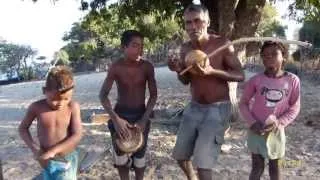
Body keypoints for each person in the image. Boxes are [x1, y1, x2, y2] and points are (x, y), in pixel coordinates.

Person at [168, 4, 245, 180]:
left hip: (217, 110)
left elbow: (240, 75)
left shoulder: (222, 44)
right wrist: (178, 70)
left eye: (198, 21)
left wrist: (213, 71)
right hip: (194, 107)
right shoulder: (185, 48)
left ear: (207, 21)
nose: (193, 27)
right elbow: (186, 80)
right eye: (188, 23)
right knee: (180, 157)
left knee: (203, 165)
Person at [99, 30, 157, 180]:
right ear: (123, 47)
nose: (140, 49)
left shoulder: (147, 67)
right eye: (135, 45)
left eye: (141, 46)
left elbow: (154, 95)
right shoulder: (116, 67)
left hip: (140, 115)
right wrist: (116, 120)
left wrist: (144, 120)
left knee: (140, 157)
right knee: (120, 157)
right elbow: (102, 95)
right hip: (120, 116)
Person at [239, 41, 300, 180]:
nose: (269, 58)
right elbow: (243, 103)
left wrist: (279, 123)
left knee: (275, 167)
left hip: (277, 131)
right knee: (257, 167)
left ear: (283, 56)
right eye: (265, 56)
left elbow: (295, 107)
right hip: (256, 130)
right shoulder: (255, 80)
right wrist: (252, 122)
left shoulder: (292, 80)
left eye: (274, 54)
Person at [19, 66, 83, 180]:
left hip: (65, 160)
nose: (60, 103)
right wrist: (35, 149)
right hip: (46, 159)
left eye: (66, 98)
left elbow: (77, 134)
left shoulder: (73, 107)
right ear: (44, 91)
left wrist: (54, 151)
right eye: (55, 98)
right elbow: (23, 129)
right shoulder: (36, 107)